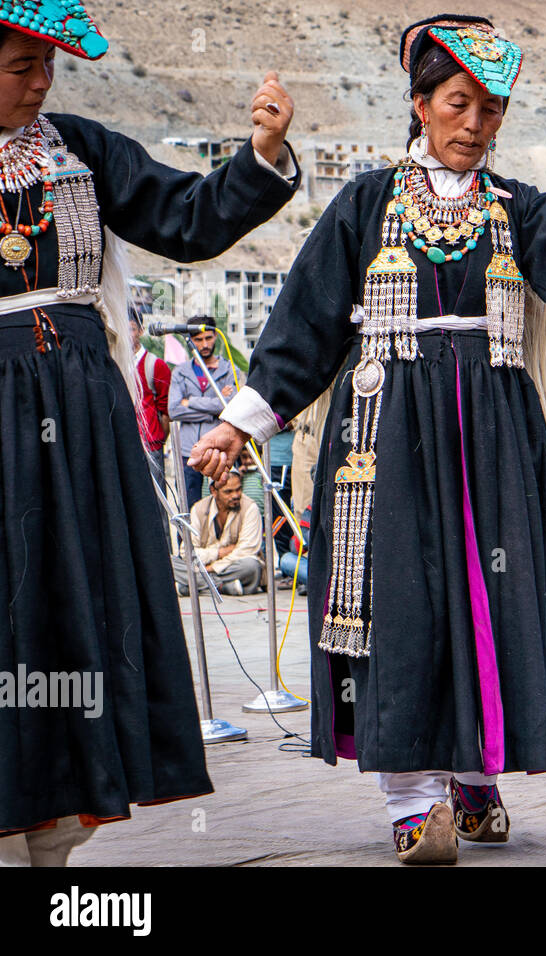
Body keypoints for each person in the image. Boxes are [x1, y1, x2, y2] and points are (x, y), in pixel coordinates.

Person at [189, 14, 546, 864]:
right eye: (459, 104)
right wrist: (242, 428)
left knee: (495, 596)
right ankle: (415, 797)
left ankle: (473, 770)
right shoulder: (366, 202)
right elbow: (304, 325)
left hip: (496, 427)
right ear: (419, 105)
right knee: (406, 602)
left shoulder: (518, 206)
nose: (476, 124)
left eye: (492, 109)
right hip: (385, 432)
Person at [0, 4, 298, 864]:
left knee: (77, 608)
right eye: (22, 65)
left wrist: (262, 157)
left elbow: (185, 219)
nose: (41, 81)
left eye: (48, 64)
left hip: (84, 417)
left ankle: (55, 836)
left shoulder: (78, 149)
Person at [168, 323, 238, 508]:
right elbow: (174, 410)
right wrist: (215, 409)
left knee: (222, 506)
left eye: (208, 338)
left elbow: (232, 407)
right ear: (191, 341)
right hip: (188, 452)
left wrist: (190, 401)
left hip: (219, 450)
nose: (204, 344)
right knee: (188, 507)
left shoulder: (230, 369)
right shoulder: (180, 372)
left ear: (215, 336)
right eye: (198, 340)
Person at [172, 469, 265, 596]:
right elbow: (186, 551)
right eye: (228, 492)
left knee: (251, 566)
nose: (235, 495)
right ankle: (222, 587)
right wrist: (218, 553)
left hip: (228, 566)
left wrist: (212, 568)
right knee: (170, 562)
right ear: (213, 491)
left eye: (238, 489)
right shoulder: (199, 509)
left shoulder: (250, 507)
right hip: (208, 567)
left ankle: (194, 585)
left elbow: (247, 550)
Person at [130, 310, 170, 479]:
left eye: (131, 329)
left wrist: (159, 441)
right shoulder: (112, 362)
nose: (127, 335)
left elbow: (166, 412)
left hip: (150, 442)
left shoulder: (156, 365)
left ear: (141, 330)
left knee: (156, 496)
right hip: (123, 441)